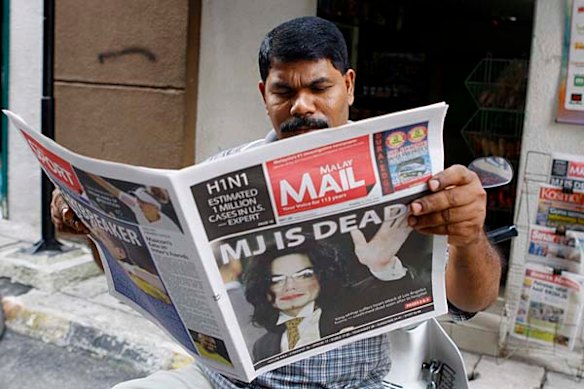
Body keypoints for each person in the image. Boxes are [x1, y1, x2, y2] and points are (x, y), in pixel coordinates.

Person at [51, 16, 501, 388]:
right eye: (284, 91)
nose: (302, 106)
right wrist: (97, 232)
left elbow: (471, 301)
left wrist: (468, 235)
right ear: (263, 94)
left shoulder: (408, 179)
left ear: (348, 85)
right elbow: (156, 285)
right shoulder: (221, 172)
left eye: (319, 88)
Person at [244, 233, 417, 362]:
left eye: (304, 275)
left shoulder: (353, 303)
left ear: (322, 277)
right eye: (277, 280)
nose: (290, 286)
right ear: (264, 289)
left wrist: (383, 268)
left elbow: (396, 296)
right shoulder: (262, 347)